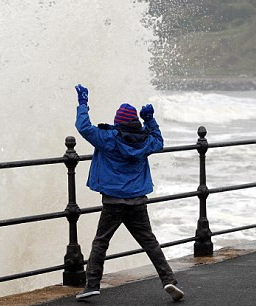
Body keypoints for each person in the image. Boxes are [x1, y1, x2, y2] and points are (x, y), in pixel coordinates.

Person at [73, 84, 184, 302]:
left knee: (101, 242)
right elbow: (159, 141)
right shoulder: (145, 140)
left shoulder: (108, 138)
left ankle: (92, 285)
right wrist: (150, 120)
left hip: (113, 201)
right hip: (137, 200)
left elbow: (84, 127)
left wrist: (83, 104)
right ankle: (168, 279)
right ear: (135, 121)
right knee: (149, 241)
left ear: (118, 122)